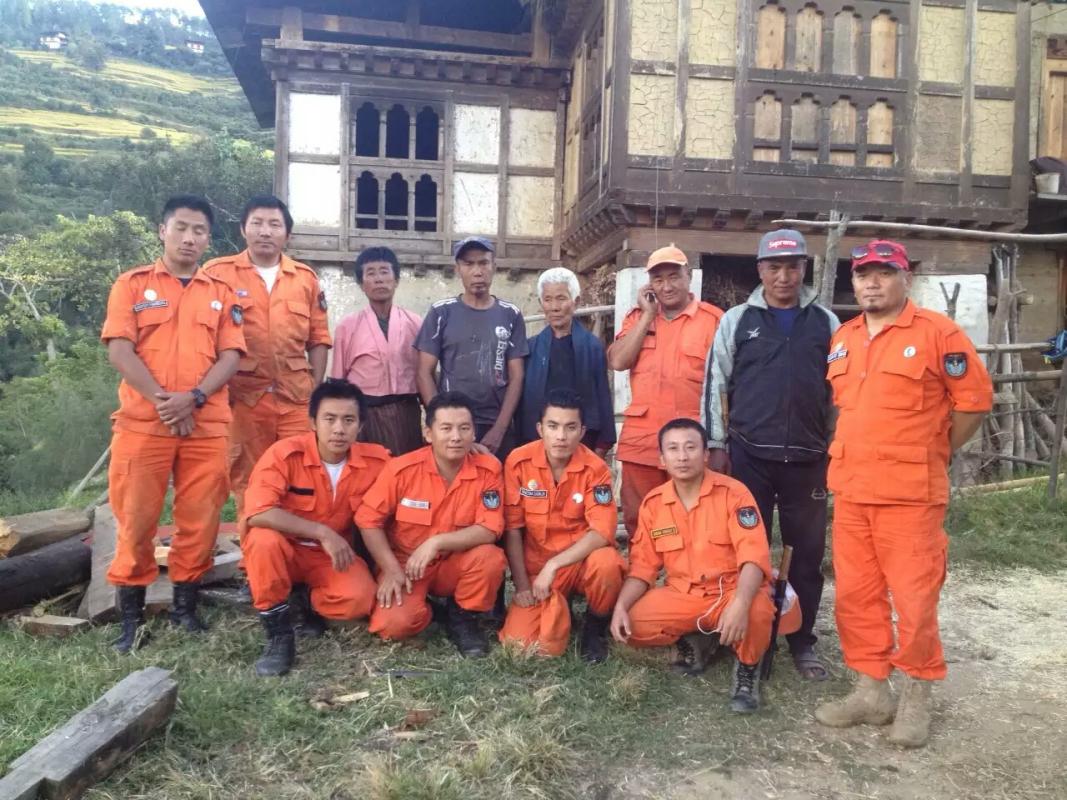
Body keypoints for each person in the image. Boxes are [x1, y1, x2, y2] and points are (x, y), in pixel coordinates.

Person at [815, 240, 992, 748]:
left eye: (883, 273)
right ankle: (872, 690)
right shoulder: (844, 338)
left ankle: (917, 696)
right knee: (856, 596)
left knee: (914, 602)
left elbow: (973, 404)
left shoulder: (939, 334)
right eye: (862, 274)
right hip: (851, 490)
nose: (871, 283)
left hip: (911, 493)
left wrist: (934, 450)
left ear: (905, 278)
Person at [101, 195, 245, 653]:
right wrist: (166, 402)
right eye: (181, 227)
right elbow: (120, 350)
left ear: (208, 238)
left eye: (199, 230)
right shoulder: (131, 284)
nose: (189, 238)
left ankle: (185, 608)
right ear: (162, 230)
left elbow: (231, 355)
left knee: (200, 519)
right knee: (136, 519)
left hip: (206, 424)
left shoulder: (220, 293)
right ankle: (131, 616)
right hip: (144, 424)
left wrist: (195, 398)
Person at [701, 229, 839, 681]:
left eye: (792, 267)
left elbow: (840, 393)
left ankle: (801, 640)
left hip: (808, 458)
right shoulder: (738, 320)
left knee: (806, 556)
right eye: (774, 267)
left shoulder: (826, 323)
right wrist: (717, 446)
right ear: (760, 270)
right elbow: (716, 384)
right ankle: (746, 633)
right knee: (746, 550)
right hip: (749, 456)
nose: (784, 276)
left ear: (804, 270)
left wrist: (835, 448)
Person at [610, 418, 801, 714]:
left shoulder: (734, 494)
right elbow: (643, 568)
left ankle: (747, 669)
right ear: (662, 459)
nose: (682, 456)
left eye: (690, 448)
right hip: (684, 595)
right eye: (673, 449)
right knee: (630, 625)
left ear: (705, 455)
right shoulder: (654, 504)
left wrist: (740, 603)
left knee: (757, 611)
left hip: (732, 591)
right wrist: (621, 607)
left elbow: (754, 557)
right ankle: (703, 641)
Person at [242, 380, 388, 676]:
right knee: (263, 540)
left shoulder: (376, 461)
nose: (338, 429)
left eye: (348, 420)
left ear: (360, 426)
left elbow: (416, 472)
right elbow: (258, 511)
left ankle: (304, 602)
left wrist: (468, 450)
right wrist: (323, 532)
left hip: (329, 557)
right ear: (312, 422)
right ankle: (279, 634)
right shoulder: (284, 454)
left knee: (360, 600)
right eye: (329, 419)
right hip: (284, 550)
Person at [203, 195, 331, 518]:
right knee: (249, 479)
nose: (265, 231)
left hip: (295, 399)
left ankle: (298, 555)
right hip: (243, 399)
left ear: (287, 234)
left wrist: (315, 387)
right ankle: (254, 558)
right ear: (243, 230)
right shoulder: (217, 274)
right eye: (257, 223)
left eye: (274, 224)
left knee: (302, 476)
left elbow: (319, 338)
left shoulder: (305, 279)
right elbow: (203, 336)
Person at [355, 391, 507, 657]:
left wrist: (436, 542)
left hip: (456, 562)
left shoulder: (488, 470)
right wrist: (390, 569)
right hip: (407, 564)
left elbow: (491, 527)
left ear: (474, 433)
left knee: (490, 558)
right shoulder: (401, 469)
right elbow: (368, 520)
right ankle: (433, 611)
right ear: (428, 433)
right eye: (446, 428)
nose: (456, 437)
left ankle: (464, 618)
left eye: (464, 428)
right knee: (392, 626)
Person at [499, 389, 625, 662]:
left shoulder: (595, 469)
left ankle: (595, 626)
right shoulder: (518, 462)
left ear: (582, 431)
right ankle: (559, 607)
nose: (561, 436)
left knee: (608, 563)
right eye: (553, 426)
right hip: (536, 569)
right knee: (521, 645)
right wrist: (521, 586)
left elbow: (602, 531)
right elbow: (512, 528)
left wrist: (554, 565)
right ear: (540, 428)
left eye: (570, 428)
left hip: (579, 563)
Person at [607, 245, 723, 538]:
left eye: (674, 277)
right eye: (658, 280)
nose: (667, 286)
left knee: (696, 522)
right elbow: (618, 361)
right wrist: (648, 316)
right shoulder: (636, 318)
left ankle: (687, 582)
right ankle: (643, 581)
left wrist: (721, 443)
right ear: (650, 284)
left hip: (691, 443)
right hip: (642, 442)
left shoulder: (714, 321)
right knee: (640, 520)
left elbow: (727, 386)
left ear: (689, 277)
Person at [414, 237, 529, 462]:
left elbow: (517, 376)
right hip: (453, 425)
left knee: (494, 491)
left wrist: (500, 429)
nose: (477, 271)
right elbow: (423, 372)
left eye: (483, 263)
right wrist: (441, 422)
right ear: (458, 269)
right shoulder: (441, 313)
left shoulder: (510, 314)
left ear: (494, 267)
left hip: (495, 422)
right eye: (469, 264)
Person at [331, 246, 423, 455]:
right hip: (366, 414)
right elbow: (338, 380)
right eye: (371, 273)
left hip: (406, 412)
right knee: (368, 474)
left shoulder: (415, 323)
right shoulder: (347, 326)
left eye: (384, 272)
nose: (379, 279)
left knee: (406, 474)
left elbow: (424, 373)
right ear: (361, 284)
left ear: (396, 280)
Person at [517, 268, 616, 457]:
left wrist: (603, 444)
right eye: (548, 299)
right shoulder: (531, 348)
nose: (554, 307)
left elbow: (603, 395)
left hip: (582, 441)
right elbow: (525, 403)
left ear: (575, 302)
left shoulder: (591, 346)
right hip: (538, 441)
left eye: (561, 298)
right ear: (541, 304)